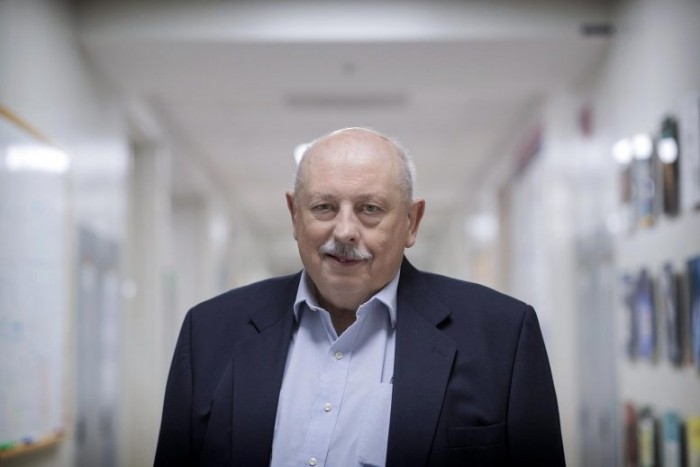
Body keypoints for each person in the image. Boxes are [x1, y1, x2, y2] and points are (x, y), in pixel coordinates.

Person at [154, 127, 566, 467]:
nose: (345, 231)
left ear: (412, 221)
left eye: (370, 209)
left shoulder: (502, 336)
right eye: (324, 207)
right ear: (294, 215)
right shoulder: (209, 332)